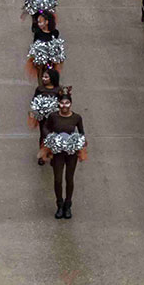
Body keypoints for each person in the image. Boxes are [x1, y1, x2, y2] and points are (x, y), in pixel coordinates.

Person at [41, 88, 87, 218]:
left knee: (69, 179)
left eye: (67, 103)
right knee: (58, 180)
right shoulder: (53, 116)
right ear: (58, 104)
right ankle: (59, 205)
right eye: (62, 103)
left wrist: (78, 141)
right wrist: (50, 138)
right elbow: (45, 127)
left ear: (70, 104)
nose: (64, 106)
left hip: (71, 153)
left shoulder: (76, 117)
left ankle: (68, 205)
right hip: (58, 152)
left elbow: (82, 132)